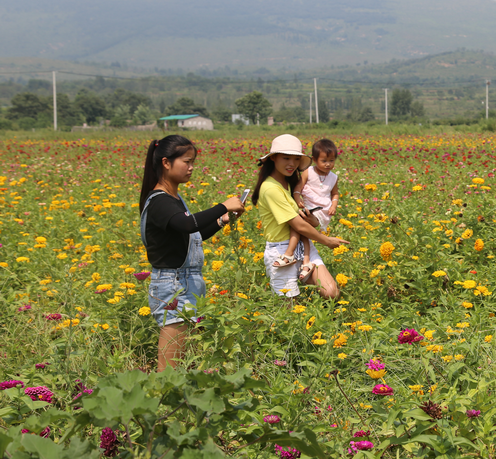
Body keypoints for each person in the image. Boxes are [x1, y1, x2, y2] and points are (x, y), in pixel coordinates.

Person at [139, 135, 245, 372]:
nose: (191, 167)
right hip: (172, 285)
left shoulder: (175, 199)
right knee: (170, 369)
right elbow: (189, 225)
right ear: (166, 163)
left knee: (189, 361)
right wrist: (223, 205)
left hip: (188, 282)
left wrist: (222, 220)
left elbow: (191, 235)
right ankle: (162, 404)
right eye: (186, 161)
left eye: (192, 162)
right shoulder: (159, 201)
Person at [252, 134, 349, 300]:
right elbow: (298, 225)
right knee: (289, 308)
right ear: (274, 158)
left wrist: (314, 220)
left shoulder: (290, 183)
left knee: (331, 292)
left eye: (296, 159)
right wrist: (327, 241)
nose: (292, 164)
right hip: (283, 252)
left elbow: (307, 222)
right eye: (286, 158)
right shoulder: (271, 188)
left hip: (304, 246)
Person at [286, 138, 341, 278]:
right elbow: (298, 189)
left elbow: (335, 194)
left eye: (332, 160)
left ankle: (291, 254)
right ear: (315, 159)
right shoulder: (308, 172)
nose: (328, 164)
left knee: (301, 227)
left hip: (322, 211)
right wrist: (297, 199)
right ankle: (304, 259)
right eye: (324, 161)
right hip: (308, 207)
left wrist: (334, 205)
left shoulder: (333, 177)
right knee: (302, 228)